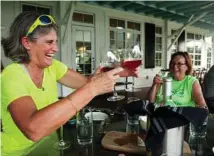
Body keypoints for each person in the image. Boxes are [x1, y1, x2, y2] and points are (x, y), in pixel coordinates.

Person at [1, 12, 137, 156]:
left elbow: (86, 83)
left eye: (55, 42)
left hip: (51, 147)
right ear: (27, 43)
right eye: (49, 42)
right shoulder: (11, 75)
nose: (56, 48)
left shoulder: (52, 66)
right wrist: (92, 87)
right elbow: (33, 130)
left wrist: (108, 75)